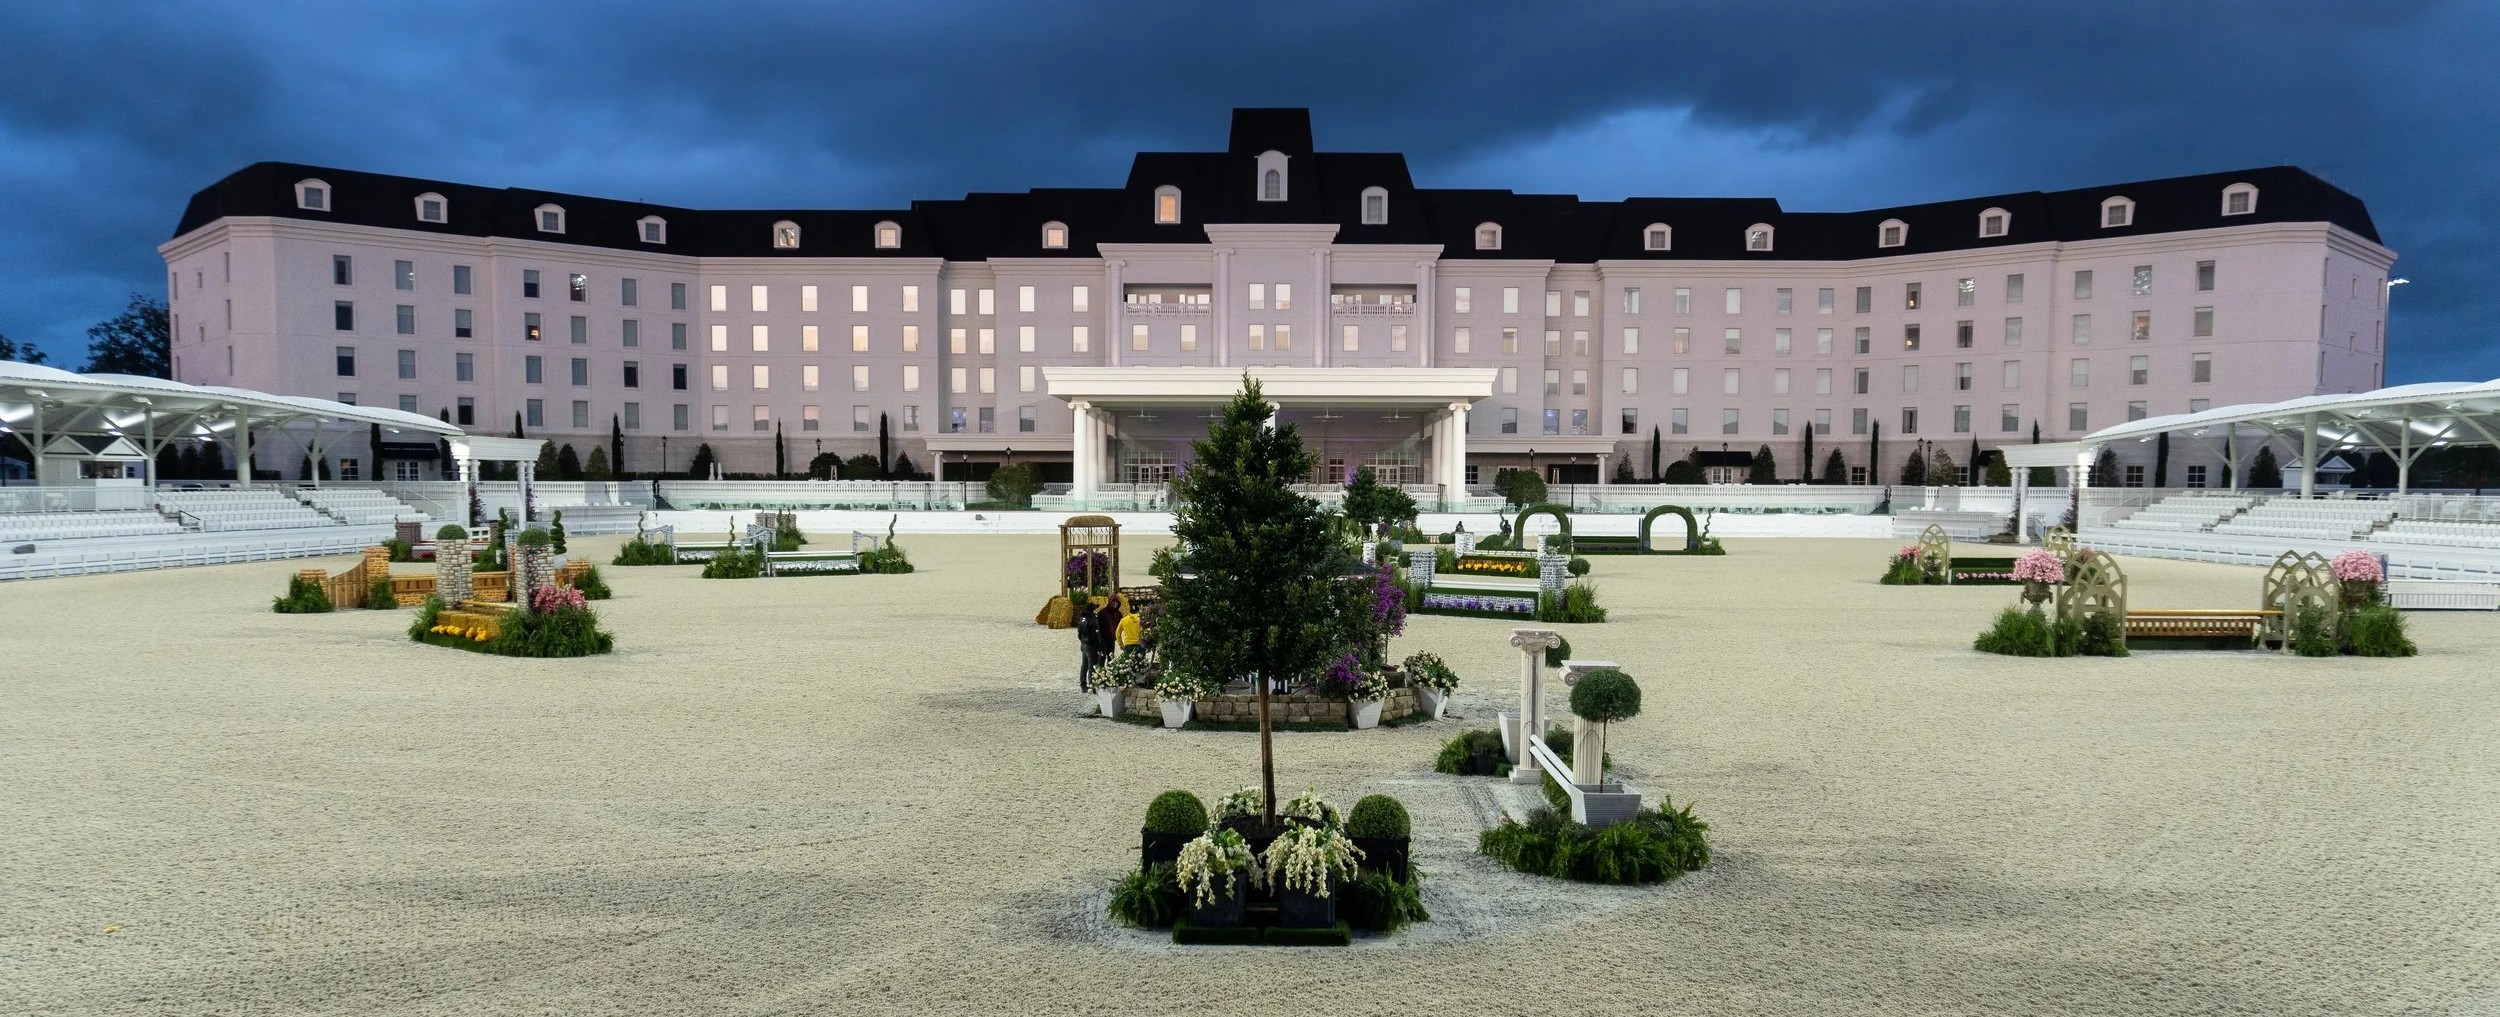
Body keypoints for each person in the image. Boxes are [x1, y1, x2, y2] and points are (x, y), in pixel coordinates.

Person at [1075, 605, 1102, 692]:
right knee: (1092, 666)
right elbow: (1096, 635)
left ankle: (1083, 684)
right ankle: (1092, 685)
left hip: (1084, 643)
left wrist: (1082, 642)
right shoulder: (1092, 620)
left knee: (1084, 665)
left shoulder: (1082, 619)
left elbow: (1079, 633)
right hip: (1091, 645)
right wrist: (1098, 645)